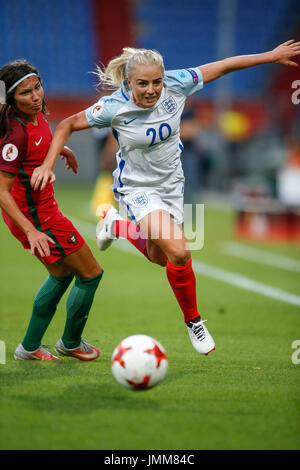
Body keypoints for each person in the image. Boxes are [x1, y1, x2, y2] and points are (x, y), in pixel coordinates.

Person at [31, 40, 300, 355]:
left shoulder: (178, 83)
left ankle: (115, 226)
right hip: (137, 188)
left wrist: (270, 56)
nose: (151, 90)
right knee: (180, 253)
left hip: (172, 186)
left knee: (160, 258)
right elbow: (66, 124)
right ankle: (195, 323)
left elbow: (225, 65)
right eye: (142, 83)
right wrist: (47, 165)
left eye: (156, 82)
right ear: (129, 82)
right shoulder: (114, 107)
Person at [0, 59, 103, 361]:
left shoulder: (35, 116)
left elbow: (40, 142)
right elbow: (1, 191)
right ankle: (70, 343)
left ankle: (29, 347)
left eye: (37, 88)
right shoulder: (15, 134)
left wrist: (62, 150)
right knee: (90, 274)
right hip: (37, 218)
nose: (35, 96)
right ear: (10, 99)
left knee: (60, 275)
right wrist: (31, 230)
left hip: (41, 214)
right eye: (25, 93)